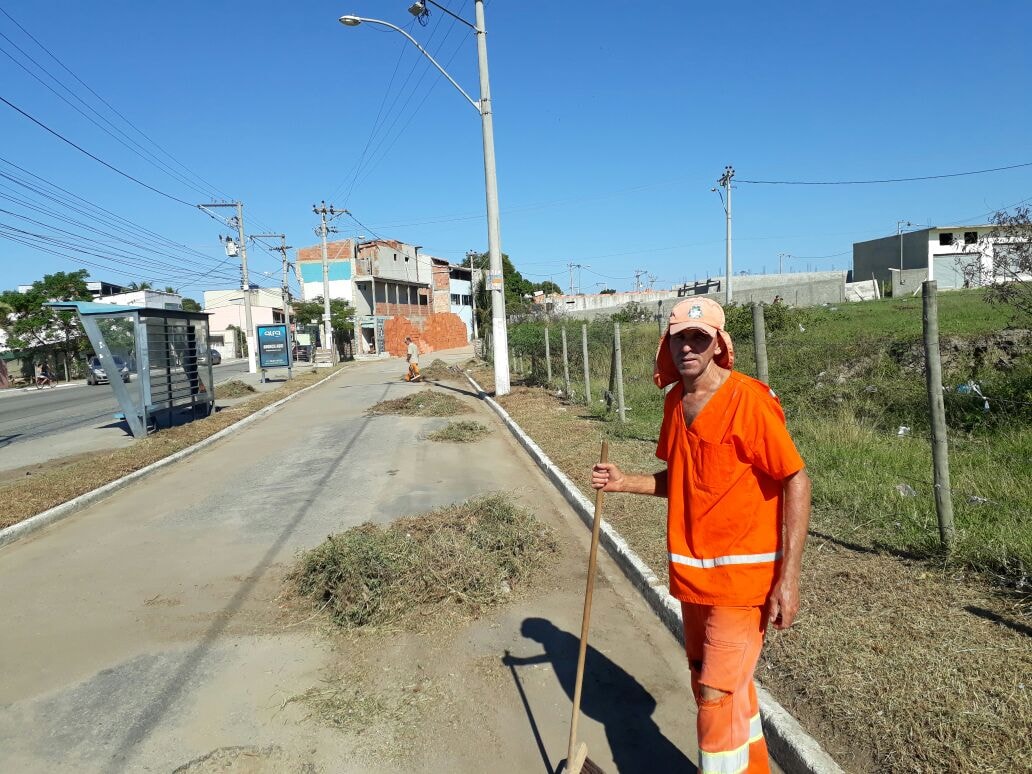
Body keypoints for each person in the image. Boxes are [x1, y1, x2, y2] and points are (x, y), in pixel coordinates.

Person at [591, 297, 811, 774]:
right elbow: (683, 477)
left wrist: (788, 578)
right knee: (717, 687)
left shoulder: (748, 401)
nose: (688, 346)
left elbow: (796, 478)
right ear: (667, 345)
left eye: (699, 338)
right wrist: (624, 480)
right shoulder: (676, 402)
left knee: (714, 697)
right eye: (680, 338)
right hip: (694, 580)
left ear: (718, 345)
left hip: (743, 585)